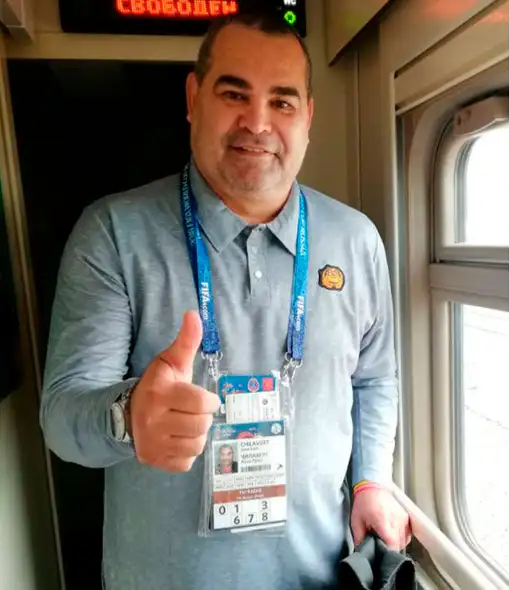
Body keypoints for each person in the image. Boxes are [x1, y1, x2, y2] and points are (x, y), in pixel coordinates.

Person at [39, 11, 410, 590]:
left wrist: (370, 482)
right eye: (234, 93)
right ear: (193, 98)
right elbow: (61, 419)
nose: (257, 123)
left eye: (282, 102)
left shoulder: (357, 240)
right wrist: (128, 416)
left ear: (308, 117)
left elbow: (375, 379)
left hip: (317, 577)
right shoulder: (112, 232)